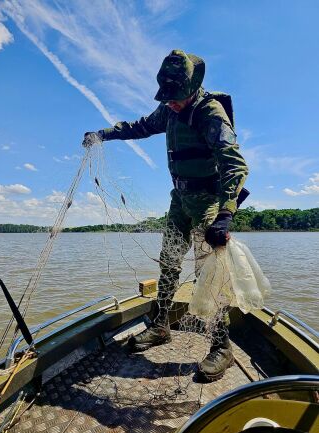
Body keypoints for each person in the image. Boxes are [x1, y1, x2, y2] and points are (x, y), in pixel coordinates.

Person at [83, 49, 248, 381]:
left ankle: (222, 347)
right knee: (169, 261)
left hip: (207, 203)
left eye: (176, 98)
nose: (170, 103)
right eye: (167, 98)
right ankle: (160, 327)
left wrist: (226, 213)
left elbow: (235, 165)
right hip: (180, 199)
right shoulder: (169, 110)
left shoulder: (210, 113)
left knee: (210, 274)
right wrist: (105, 134)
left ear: (191, 88)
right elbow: (141, 126)